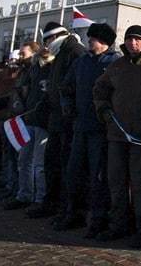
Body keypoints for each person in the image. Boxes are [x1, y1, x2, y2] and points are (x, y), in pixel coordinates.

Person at [93, 25, 141, 247]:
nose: (133, 43)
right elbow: (100, 89)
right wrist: (103, 109)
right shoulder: (117, 66)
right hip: (117, 134)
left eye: (137, 39)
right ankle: (118, 225)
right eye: (129, 39)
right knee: (115, 181)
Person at [56, 23, 120, 237]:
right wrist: (67, 105)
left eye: (92, 38)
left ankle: (98, 219)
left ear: (103, 41)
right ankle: (74, 213)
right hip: (80, 126)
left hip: (101, 130)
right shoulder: (81, 62)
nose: (89, 41)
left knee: (98, 177)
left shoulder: (115, 62)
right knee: (74, 172)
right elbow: (66, 86)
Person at [29, 21, 86, 220]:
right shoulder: (62, 53)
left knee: (66, 165)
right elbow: (55, 86)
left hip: (68, 120)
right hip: (56, 118)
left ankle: (67, 208)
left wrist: (67, 107)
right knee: (52, 162)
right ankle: (52, 203)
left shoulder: (75, 51)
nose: (45, 46)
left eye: (46, 40)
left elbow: (78, 86)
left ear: (53, 37)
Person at [6, 42, 49, 210]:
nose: (20, 57)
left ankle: (39, 199)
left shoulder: (47, 68)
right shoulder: (30, 70)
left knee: (38, 164)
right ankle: (24, 195)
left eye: (24, 54)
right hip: (27, 118)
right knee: (24, 160)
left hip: (40, 120)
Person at [0, 51, 24, 197]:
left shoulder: (20, 74)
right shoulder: (1, 75)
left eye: (15, 59)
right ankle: (5, 179)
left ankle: (11, 182)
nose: (12, 62)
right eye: (10, 59)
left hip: (13, 116)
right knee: (2, 149)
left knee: (13, 152)